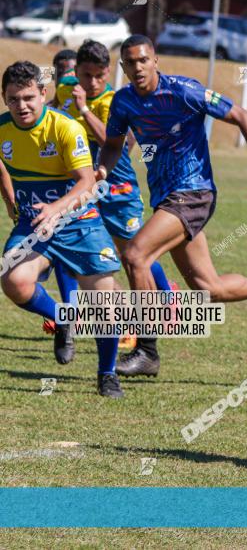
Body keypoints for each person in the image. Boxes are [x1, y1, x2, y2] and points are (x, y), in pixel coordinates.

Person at [98, 35, 247, 378]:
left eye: (143, 60)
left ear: (155, 61)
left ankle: (147, 351)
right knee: (208, 288)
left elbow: (243, 116)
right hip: (167, 199)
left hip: (194, 193)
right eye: (130, 62)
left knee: (137, 255)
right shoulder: (123, 102)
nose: (137, 67)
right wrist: (103, 169)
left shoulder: (183, 91)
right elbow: (111, 144)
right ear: (123, 67)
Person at [46, 40, 177, 362]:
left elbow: (113, 142)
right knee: (75, 253)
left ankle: (167, 297)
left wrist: (84, 110)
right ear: (75, 72)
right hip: (82, 189)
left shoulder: (114, 101)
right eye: (85, 75)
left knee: (135, 253)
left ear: (108, 74)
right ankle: (81, 316)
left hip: (117, 191)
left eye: (98, 76)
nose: (91, 83)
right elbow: (52, 111)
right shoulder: (67, 90)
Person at [0, 61, 123, 397]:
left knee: (103, 302)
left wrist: (56, 209)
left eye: (28, 97)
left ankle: (107, 373)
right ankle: (63, 318)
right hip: (34, 224)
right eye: (13, 99)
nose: (21, 106)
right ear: (4, 99)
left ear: (43, 93)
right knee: (12, 279)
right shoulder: (2, 130)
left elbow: (86, 184)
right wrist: (11, 200)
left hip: (78, 222)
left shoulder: (66, 127)